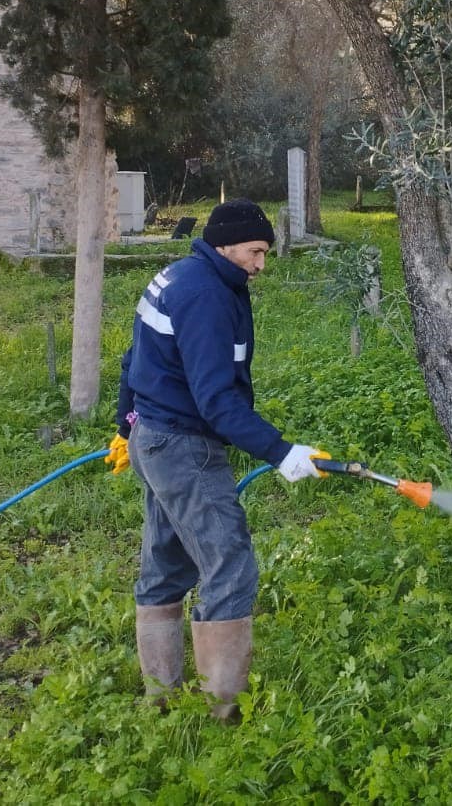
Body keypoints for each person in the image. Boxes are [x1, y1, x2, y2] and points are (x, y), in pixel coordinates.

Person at [105, 198, 327, 721]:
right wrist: (281, 452)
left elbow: (133, 359)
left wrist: (125, 428)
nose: (261, 264)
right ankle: (222, 714)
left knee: (166, 565)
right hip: (183, 447)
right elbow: (217, 401)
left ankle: (162, 698)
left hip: (152, 438)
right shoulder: (205, 295)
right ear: (225, 246)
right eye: (255, 252)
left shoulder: (183, 276)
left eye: (265, 253)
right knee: (230, 567)